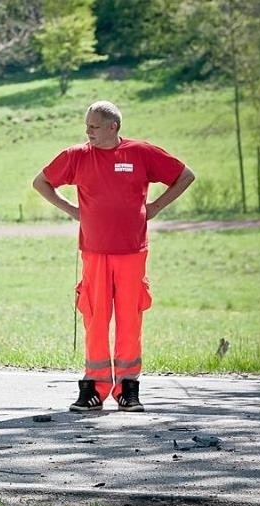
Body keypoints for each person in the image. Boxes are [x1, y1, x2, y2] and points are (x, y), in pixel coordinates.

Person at [32, 100, 195, 413]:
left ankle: (128, 389)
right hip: (94, 251)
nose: (88, 132)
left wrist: (156, 207)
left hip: (133, 251)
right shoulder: (76, 156)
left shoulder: (141, 153)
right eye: (87, 126)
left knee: (130, 319)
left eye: (93, 126)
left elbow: (185, 175)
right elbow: (41, 182)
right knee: (94, 317)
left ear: (113, 127)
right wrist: (72, 211)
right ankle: (94, 387)